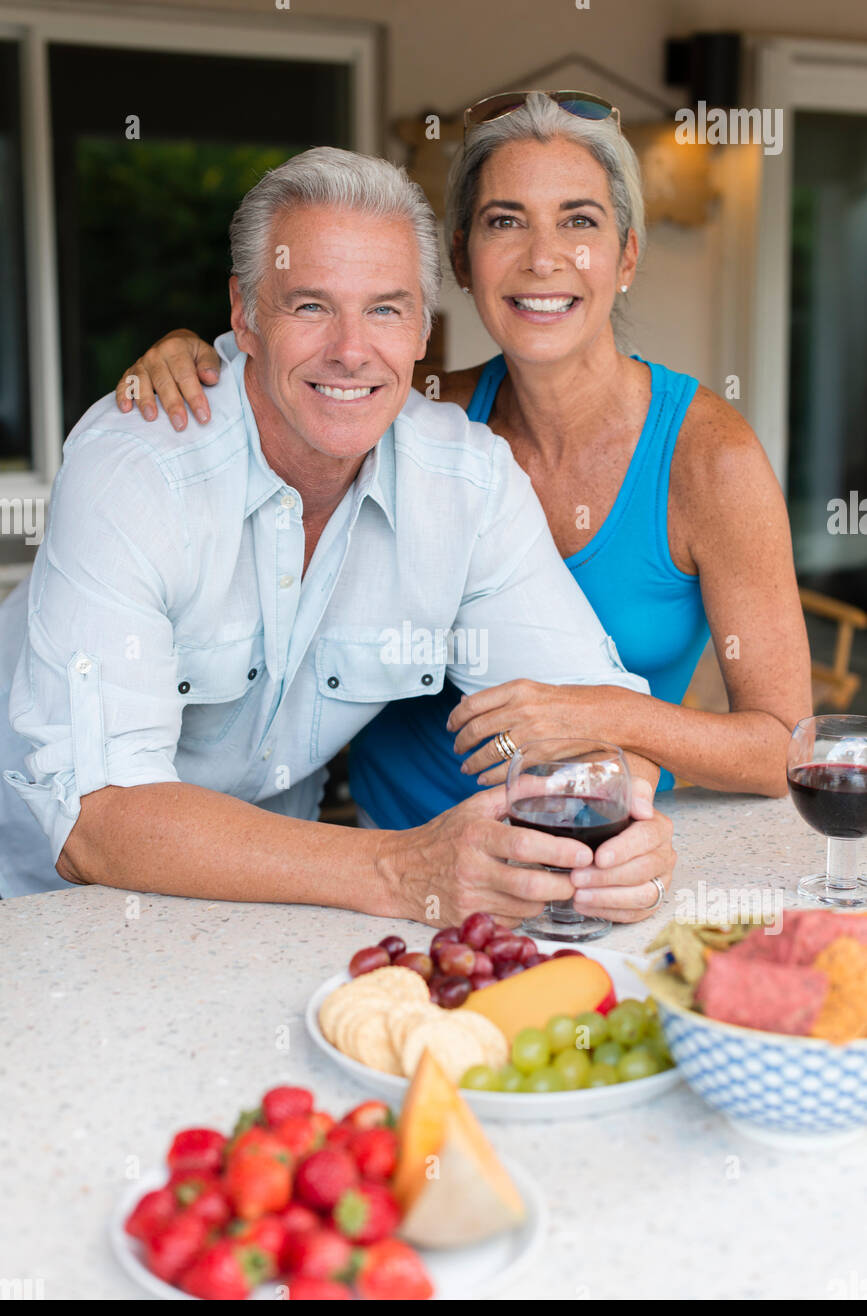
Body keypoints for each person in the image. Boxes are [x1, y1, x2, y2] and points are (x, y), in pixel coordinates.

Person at [124, 93, 811, 922]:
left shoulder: (709, 458)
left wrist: (595, 709)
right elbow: (295, 372)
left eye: (579, 222)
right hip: (371, 868)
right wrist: (199, 358)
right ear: (458, 258)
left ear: (626, 255)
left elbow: (784, 748)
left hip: (583, 861)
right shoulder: (414, 418)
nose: (541, 258)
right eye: (503, 222)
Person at [0, 146, 673, 924]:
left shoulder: (468, 484)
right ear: (245, 316)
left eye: (385, 308)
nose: (351, 350)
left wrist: (621, 818)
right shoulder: (137, 470)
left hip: (265, 901)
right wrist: (400, 869)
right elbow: (96, 820)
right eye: (310, 306)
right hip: (38, 911)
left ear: (423, 325)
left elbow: (587, 718)